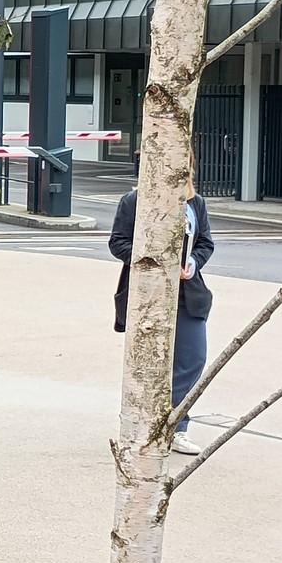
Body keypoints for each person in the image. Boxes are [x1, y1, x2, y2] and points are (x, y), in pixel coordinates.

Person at [108, 162, 214, 456]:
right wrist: (154, 261)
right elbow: (117, 242)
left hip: (187, 294)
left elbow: (205, 243)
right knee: (149, 363)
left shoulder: (195, 202)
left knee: (193, 359)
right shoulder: (134, 200)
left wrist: (192, 262)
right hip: (147, 293)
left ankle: (174, 426)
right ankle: (145, 425)